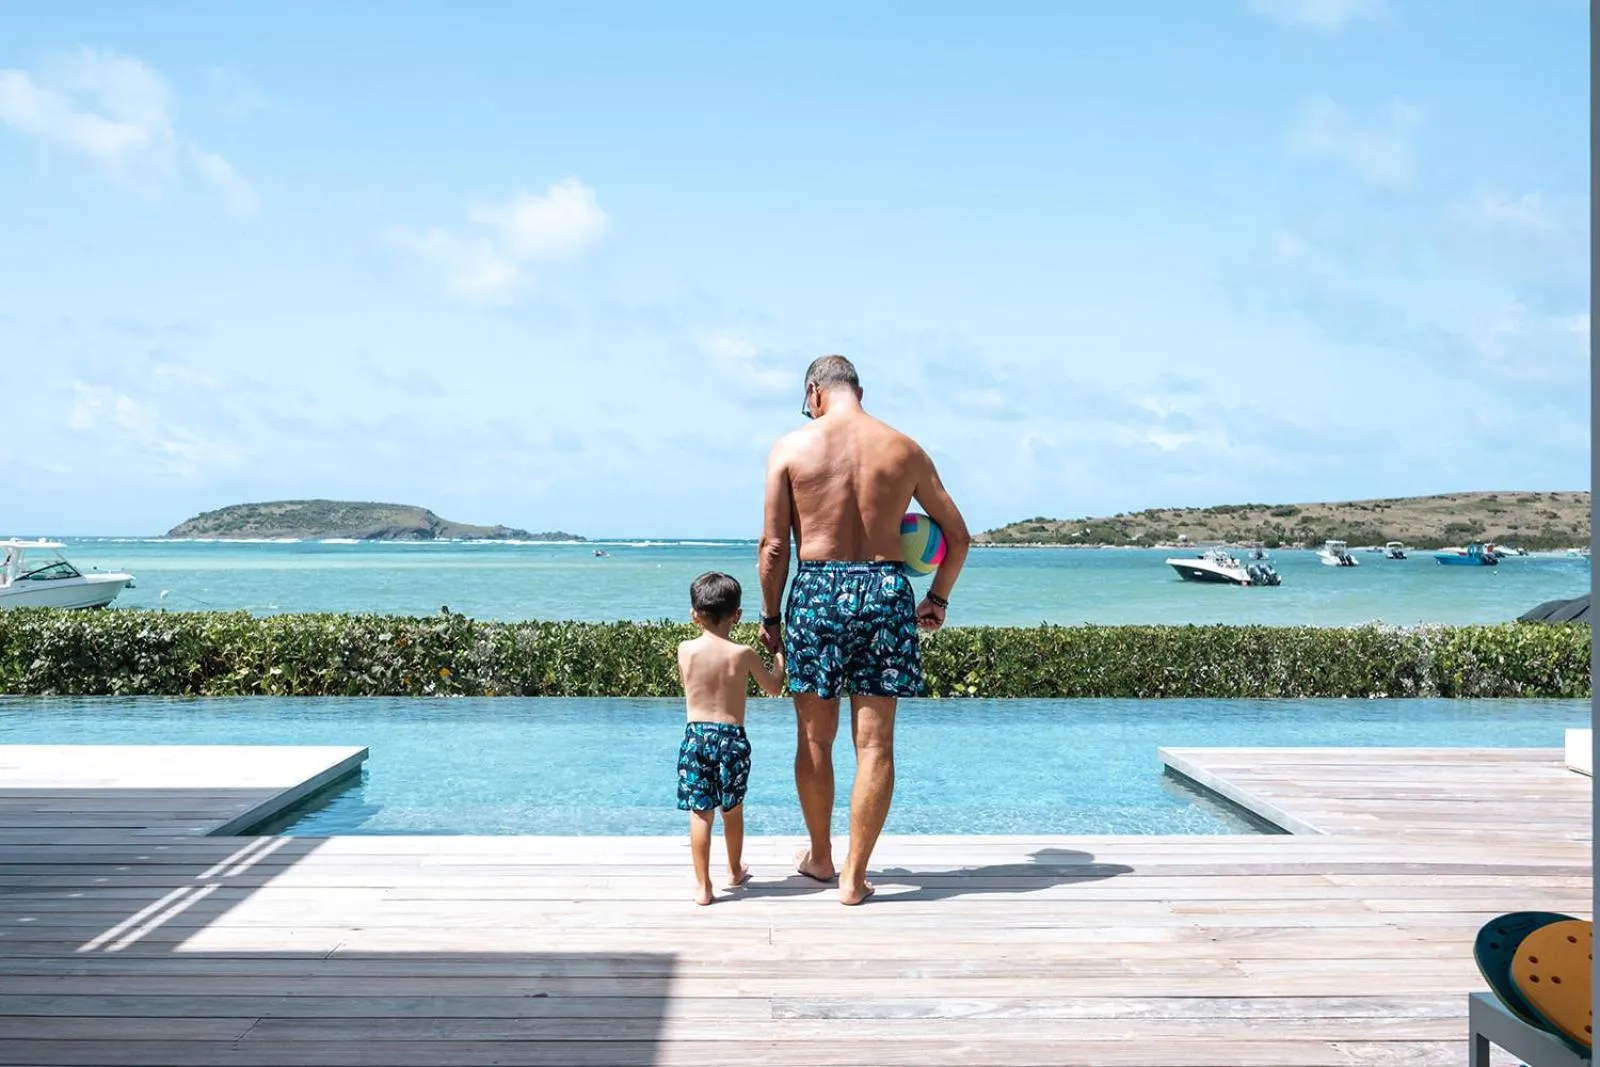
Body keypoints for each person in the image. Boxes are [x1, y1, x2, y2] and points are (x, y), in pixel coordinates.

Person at [757, 354, 970, 905]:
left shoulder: (790, 448)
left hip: (817, 590)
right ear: (858, 389)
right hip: (885, 590)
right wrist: (937, 599)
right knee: (874, 743)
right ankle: (855, 876)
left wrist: (771, 618)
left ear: (815, 391)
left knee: (814, 738)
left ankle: (822, 857)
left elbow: (775, 547)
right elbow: (959, 536)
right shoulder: (904, 448)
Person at [676, 571, 786, 906]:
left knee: (700, 813)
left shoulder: (685, 650)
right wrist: (778, 655)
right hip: (732, 738)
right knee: (732, 809)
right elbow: (774, 687)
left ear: (695, 615)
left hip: (695, 737)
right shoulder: (744, 654)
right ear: (737, 615)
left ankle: (703, 886)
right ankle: (735, 870)